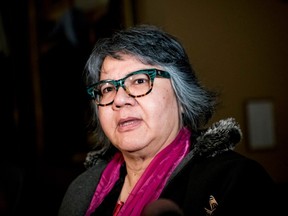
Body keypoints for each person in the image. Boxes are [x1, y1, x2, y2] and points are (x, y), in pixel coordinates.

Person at [58, 24, 278, 216]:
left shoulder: (235, 180)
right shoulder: (82, 189)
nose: (119, 99)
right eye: (107, 88)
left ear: (181, 98)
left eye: (139, 81)